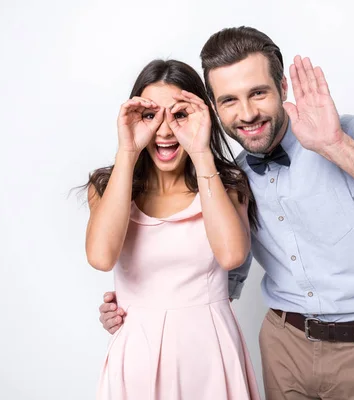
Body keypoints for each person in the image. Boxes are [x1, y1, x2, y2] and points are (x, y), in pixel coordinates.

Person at [98, 27, 354, 400]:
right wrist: (140, 306)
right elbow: (222, 268)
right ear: (213, 107)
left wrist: (336, 146)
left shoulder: (349, 135)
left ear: (283, 88)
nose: (247, 113)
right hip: (282, 349)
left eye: (258, 92)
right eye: (229, 100)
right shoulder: (235, 177)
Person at [85, 59, 260, 399]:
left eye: (179, 114)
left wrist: (200, 151)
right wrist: (128, 151)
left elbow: (232, 255)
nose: (164, 131)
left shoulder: (228, 185)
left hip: (210, 353)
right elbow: (101, 257)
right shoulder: (107, 185)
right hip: (137, 352)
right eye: (151, 115)